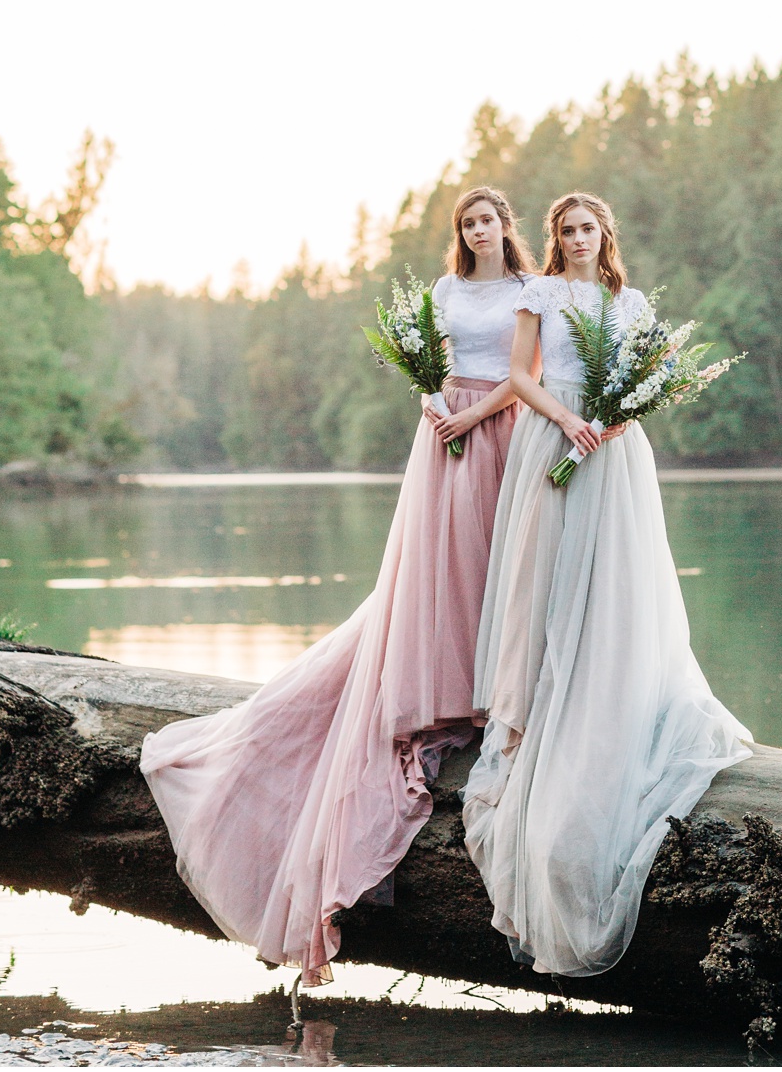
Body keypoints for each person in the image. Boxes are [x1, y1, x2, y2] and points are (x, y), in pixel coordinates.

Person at [140, 186, 535, 987]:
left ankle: (500, 682)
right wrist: (435, 403)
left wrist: (478, 413)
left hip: (502, 428)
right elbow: (428, 361)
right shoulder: (445, 291)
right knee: (443, 565)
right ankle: (444, 692)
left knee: (502, 565)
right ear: (461, 232)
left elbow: (527, 372)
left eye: (487, 219)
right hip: (447, 436)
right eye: (467, 221)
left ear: (506, 227)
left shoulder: (528, 291)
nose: (477, 229)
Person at [462, 191, 751, 978]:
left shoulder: (633, 303)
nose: (578, 239)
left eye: (589, 229)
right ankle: (536, 709)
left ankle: (611, 685)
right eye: (566, 230)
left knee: (619, 582)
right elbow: (519, 376)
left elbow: (646, 379)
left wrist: (615, 420)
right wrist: (568, 419)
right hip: (551, 438)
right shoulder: (542, 294)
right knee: (543, 579)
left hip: (615, 452)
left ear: (606, 236)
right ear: (555, 240)